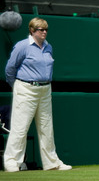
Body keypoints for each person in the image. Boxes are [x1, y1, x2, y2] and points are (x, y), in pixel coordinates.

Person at [3, 17, 72, 172]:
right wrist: (17, 86)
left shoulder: (48, 47)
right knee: (20, 128)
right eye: (41, 30)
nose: (44, 32)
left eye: (46, 29)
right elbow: (10, 69)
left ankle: (52, 163)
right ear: (32, 31)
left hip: (45, 90)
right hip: (26, 88)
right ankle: (12, 162)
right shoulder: (22, 47)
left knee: (46, 128)